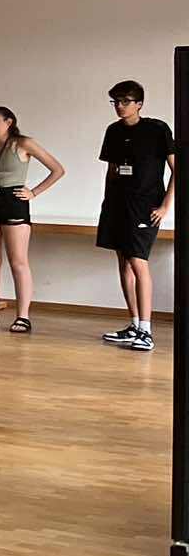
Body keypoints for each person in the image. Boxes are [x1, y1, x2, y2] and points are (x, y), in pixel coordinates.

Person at [0, 105, 65, 335]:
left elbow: (57, 169)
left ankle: (23, 316)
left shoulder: (24, 143)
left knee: (18, 261)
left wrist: (34, 192)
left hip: (13, 201)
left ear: (9, 122)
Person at [96, 80, 173, 352]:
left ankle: (146, 330)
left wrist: (165, 206)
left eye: (125, 101)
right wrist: (107, 204)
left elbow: (177, 169)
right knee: (124, 262)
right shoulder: (113, 131)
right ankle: (134, 324)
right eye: (115, 101)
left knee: (138, 261)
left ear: (139, 104)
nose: (119, 106)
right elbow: (112, 170)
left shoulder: (157, 129)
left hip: (145, 205)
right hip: (117, 204)